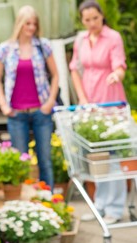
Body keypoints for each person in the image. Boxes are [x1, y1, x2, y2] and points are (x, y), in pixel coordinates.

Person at [69, 0, 128, 225]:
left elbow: (119, 66)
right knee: (95, 157)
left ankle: (114, 208)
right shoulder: (80, 39)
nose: (92, 23)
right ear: (82, 21)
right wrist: (82, 98)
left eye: (95, 18)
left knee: (111, 156)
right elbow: (74, 69)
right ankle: (100, 206)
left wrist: (116, 76)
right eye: (87, 19)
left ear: (101, 16)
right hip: (89, 104)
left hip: (110, 102)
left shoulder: (113, 37)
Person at [0, 5, 59, 190]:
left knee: (44, 159)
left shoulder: (43, 46)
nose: (31, 28)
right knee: (21, 162)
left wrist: (50, 101)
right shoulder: (5, 49)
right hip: (16, 114)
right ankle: (25, 204)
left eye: (34, 24)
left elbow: (56, 75)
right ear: (19, 23)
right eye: (27, 23)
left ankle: (50, 202)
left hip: (41, 112)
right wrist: (3, 105)